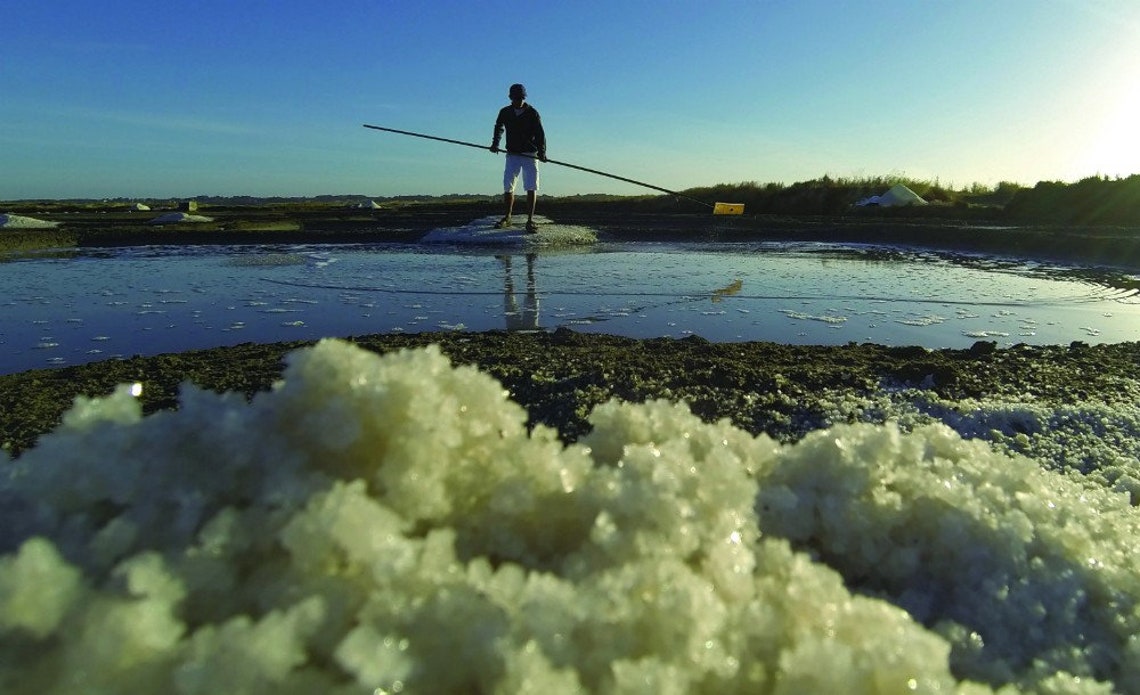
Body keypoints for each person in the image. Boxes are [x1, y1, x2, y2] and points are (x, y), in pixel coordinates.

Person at [490, 83, 547, 233]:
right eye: (515, 98)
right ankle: (507, 217)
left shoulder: (532, 113)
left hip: (529, 154)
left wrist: (542, 152)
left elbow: (540, 134)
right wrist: (495, 144)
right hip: (513, 154)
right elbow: (499, 127)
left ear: (524, 97)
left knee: (531, 186)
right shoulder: (505, 112)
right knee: (508, 185)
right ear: (510, 98)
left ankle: (530, 220)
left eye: (520, 98)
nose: (518, 100)